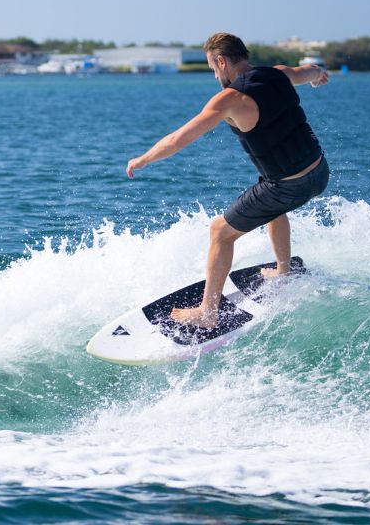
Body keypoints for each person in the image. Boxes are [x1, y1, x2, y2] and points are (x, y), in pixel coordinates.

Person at [126, 32, 330, 330]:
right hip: (319, 172)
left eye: (212, 67)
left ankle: (207, 312)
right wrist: (319, 76)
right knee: (270, 198)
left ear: (222, 61)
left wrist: (141, 160)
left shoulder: (229, 100)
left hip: (288, 185)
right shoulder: (278, 75)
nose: (214, 74)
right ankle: (283, 271)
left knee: (220, 231)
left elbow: (177, 140)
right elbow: (309, 71)